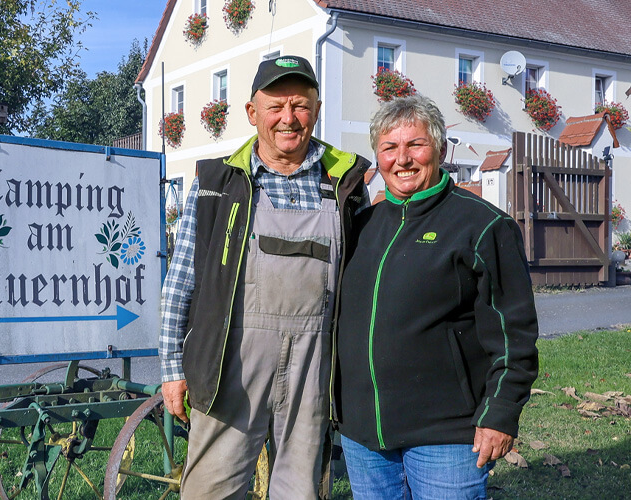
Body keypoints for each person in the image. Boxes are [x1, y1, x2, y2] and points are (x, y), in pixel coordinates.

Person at [159, 55, 371, 499]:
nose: (288, 119)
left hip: (315, 360)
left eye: (300, 105)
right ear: (252, 113)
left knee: (301, 489)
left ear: (315, 110)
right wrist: (172, 369)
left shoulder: (346, 181)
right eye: (275, 107)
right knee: (209, 489)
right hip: (230, 360)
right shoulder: (218, 180)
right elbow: (180, 283)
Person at [333, 94, 539, 499]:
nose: (403, 159)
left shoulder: (482, 226)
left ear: (441, 150)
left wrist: (501, 413)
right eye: (390, 148)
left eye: (416, 145)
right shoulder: (360, 225)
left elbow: (514, 334)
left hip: (445, 433)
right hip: (363, 434)